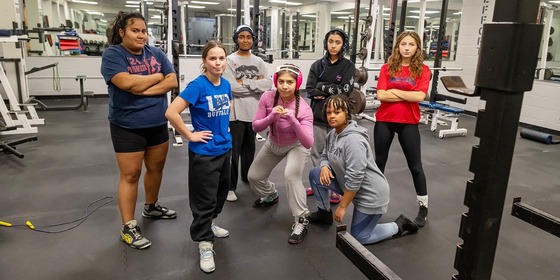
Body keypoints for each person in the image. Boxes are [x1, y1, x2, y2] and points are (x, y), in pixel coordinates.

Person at [100, 11, 178, 250]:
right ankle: (129, 226)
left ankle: (151, 206)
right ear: (122, 32)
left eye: (144, 31)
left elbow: (172, 81)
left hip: (156, 123)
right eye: (135, 30)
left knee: (156, 169)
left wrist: (141, 88)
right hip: (127, 125)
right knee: (131, 175)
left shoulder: (156, 53)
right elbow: (127, 83)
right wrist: (156, 77)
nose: (141, 35)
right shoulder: (113, 54)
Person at [307, 95, 419, 244]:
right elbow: (325, 154)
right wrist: (325, 166)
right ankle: (324, 214)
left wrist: (342, 206)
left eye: (337, 112)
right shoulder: (333, 134)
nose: (332, 116)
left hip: (370, 195)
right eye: (329, 112)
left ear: (347, 113)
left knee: (360, 237)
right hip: (348, 185)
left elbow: (355, 179)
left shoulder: (353, 141)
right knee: (315, 174)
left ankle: (398, 226)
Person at [165, 40, 232, 273]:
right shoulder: (197, 86)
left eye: (221, 58)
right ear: (204, 62)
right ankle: (204, 242)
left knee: (221, 193)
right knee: (203, 199)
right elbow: (171, 112)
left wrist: (226, 130)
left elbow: (225, 110)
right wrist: (190, 134)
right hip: (204, 152)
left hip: (225, 148)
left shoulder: (225, 84)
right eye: (212, 58)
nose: (217, 62)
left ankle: (209, 223)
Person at [247, 64, 314, 244]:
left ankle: (301, 220)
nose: (285, 86)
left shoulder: (305, 109)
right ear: (276, 82)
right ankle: (271, 194)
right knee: (254, 176)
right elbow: (256, 126)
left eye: (290, 82)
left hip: (296, 145)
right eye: (282, 81)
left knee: (291, 176)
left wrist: (293, 120)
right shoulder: (268, 97)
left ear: (297, 83)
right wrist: (271, 117)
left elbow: (308, 142)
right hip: (273, 143)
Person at [374, 31, 431, 227]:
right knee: (379, 163)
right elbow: (381, 95)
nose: (407, 47)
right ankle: (374, 203)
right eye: (403, 44)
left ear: (417, 48)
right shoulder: (386, 68)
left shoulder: (423, 70)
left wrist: (395, 92)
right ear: (397, 46)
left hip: (409, 123)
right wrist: (408, 93)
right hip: (384, 121)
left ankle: (423, 208)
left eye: (411, 44)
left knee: (416, 167)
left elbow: (420, 97)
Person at [306, 28, 356, 204]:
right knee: (317, 153)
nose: (333, 45)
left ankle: (335, 188)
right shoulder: (316, 66)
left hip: (339, 120)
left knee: (337, 155)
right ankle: (319, 184)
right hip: (318, 117)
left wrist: (323, 86)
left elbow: (345, 91)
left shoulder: (348, 66)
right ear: (326, 43)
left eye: (338, 42)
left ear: (343, 45)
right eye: (331, 41)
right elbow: (310, 90)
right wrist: (331, 88)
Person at [223, 24, 272, 202]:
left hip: (254, 113)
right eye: (242, 37)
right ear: (236, 39)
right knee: (233, 153)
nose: (245, 40)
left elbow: (268, 85)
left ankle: (248, 178)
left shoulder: (258, 61)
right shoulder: (229, 60)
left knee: (249, 150)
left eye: (248, 37)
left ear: (253, 40)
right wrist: (255, 85)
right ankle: (230, 187)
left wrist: (245, 83)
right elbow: (231, 87)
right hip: (235, 114)